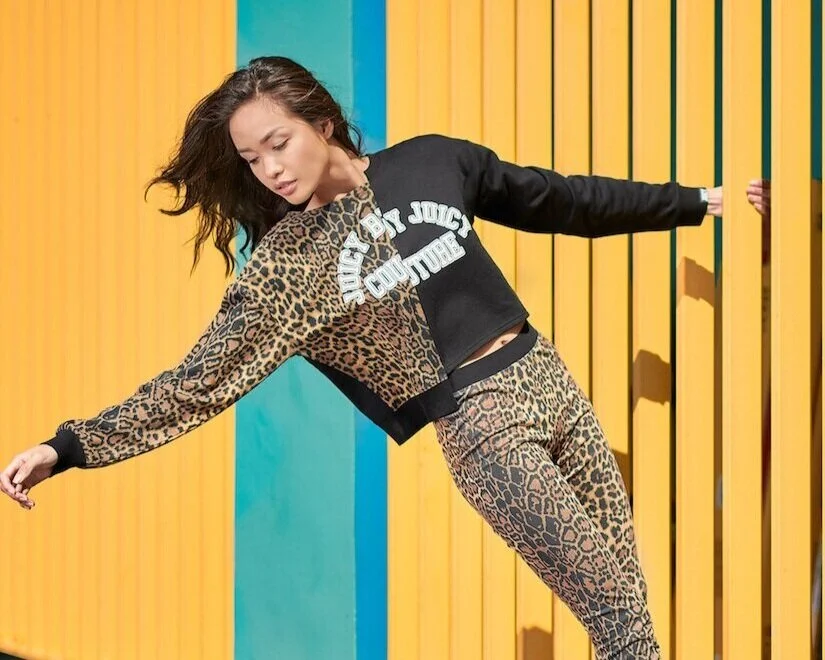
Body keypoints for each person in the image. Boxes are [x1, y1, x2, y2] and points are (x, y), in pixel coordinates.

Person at [0, 56, 766, 659]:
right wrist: (66, 447)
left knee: (623, 606)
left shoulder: (430, 163)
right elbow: (195, 384)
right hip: (482, 427)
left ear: (323, 123)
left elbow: (555, 198)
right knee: (618, 612)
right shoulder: (288, 266)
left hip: (547, 378)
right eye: (253, 159)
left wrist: (698, 201)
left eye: (279, 143)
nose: (270, 169)